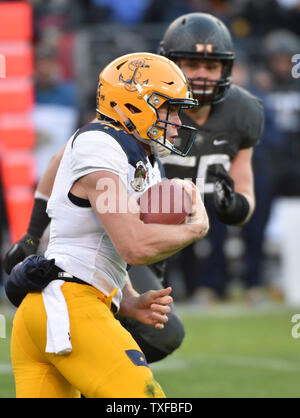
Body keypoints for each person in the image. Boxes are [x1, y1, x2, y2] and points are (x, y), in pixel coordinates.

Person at [6, 52, 209, 398]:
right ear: (132, 105)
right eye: (168, 108)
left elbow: (106, 242)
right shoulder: (99, 146)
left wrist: (126, 298)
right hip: (69, 308)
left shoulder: (134, 153)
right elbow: (134, 245)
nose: (176, 121)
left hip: (61, 307)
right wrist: (196, 227)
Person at [159, 12, 264, 303]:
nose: (202, 74)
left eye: (211, 65)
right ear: (171, 64)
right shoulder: (148, 105)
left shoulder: (244, 110)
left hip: (205, 213)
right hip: (143, 221)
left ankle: (209, 287)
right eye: (192, 64)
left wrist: (238, 206)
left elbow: (244, 180)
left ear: (225, 69)